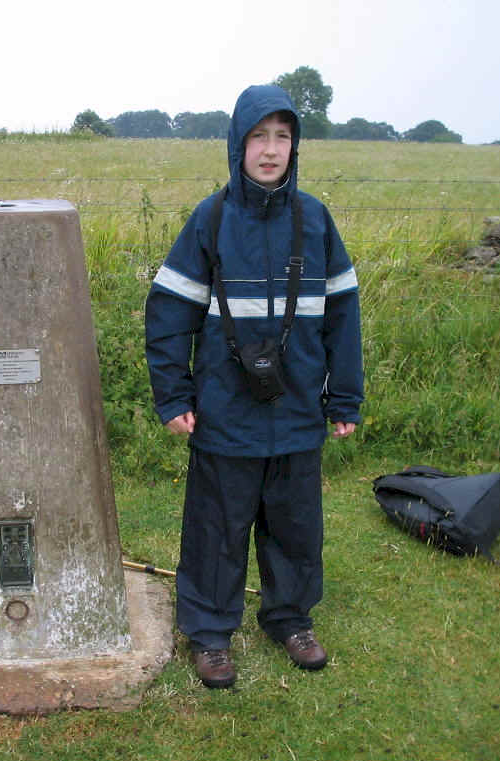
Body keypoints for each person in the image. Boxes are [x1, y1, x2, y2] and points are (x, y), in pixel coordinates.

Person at [144, 84, 363, 689]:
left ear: (295, 146)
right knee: (217, 525)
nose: (270, 150)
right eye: (258, 136)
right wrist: (174, 396)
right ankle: (211, 635)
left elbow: (343, 313)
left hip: (296, 409)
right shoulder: (210, 219)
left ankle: (290, 617)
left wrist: (344, 396)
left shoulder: (316, 219)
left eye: (283, 137)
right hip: (225, 409)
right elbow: (168, 314)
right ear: (237, 144)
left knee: (295, 523)